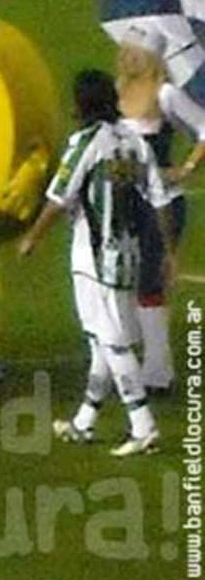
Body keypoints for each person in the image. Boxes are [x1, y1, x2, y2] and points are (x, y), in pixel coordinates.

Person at [20, 69, 173, 457]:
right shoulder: (134, 142)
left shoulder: (86, 142)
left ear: (82, 104)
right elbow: (159, 199)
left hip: (93, 259)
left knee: (113, 341)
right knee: (101, 339)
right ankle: (84, 421)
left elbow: (59, 197)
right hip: (128, 254)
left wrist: (32, 238)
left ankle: (143, 425)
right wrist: (169, 251)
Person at [114, 26, 205, 393]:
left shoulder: (165, 94)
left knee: (150, 283)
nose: (129, 56)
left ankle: (158, 372)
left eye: (137, 52)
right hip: (123, 203)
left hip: (160, 203)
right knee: (124, 282)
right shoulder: (116, 93)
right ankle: (135, 363)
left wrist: (185, 169)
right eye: (127, 50)